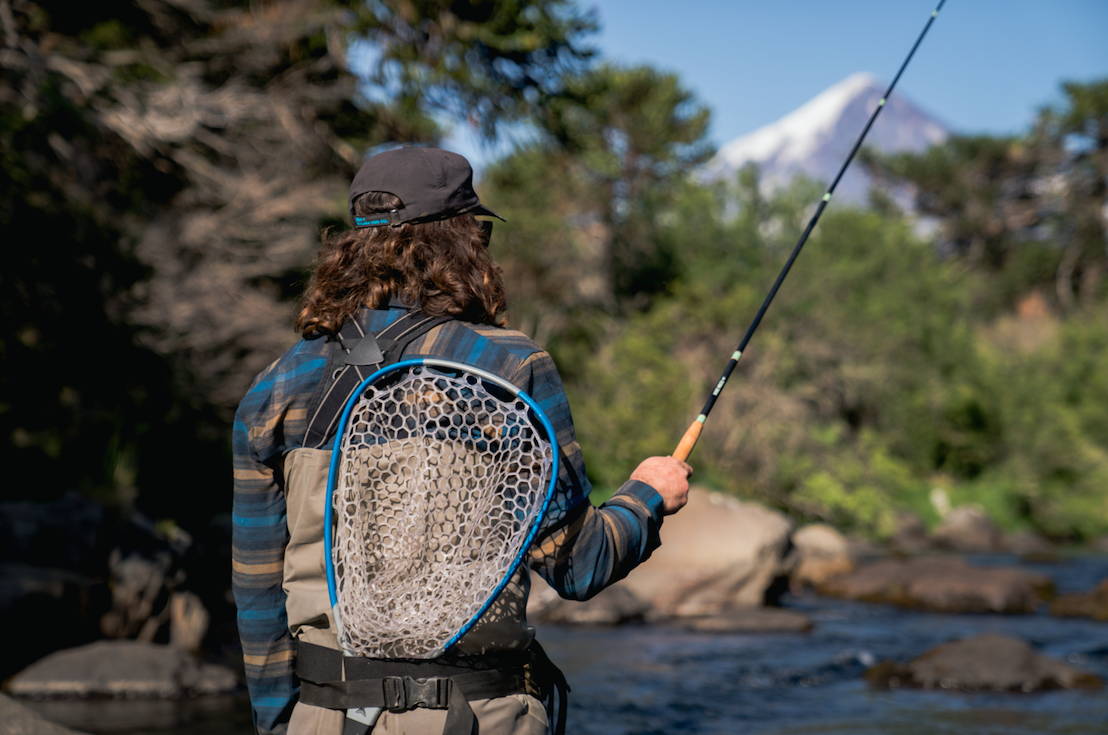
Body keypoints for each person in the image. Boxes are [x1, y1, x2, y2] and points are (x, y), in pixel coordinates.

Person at [232, 146, 692, 735]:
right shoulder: (509, 367)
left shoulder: (274, 387)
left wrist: (281, 725)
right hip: (475, 714)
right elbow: (580, 565)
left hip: (321, 716)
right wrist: (647, 495)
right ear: (462, 243)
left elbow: (257, 593)